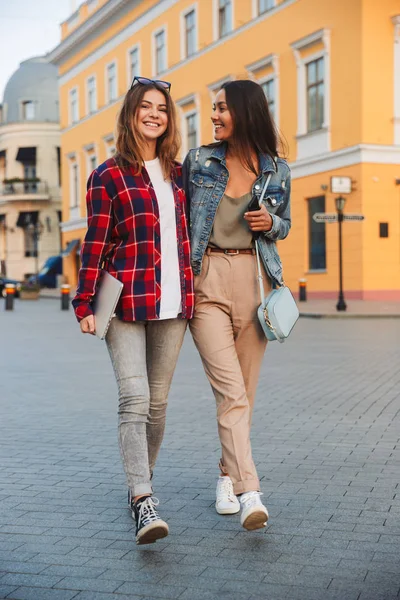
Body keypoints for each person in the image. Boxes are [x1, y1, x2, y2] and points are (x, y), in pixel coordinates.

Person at [72, 77, 194, 545]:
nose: (154, 114)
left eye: (162, 108)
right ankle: (142, 497)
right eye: (146, 107)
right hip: (122, 302)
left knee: (158, 403)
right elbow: (96, 243)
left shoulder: (180, 175)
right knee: (135, 399)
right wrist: (85, 303)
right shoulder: (108, 175)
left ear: (169, 118)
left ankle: (143, 482)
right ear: (130, 114)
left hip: (172, 304)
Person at [183, 79, 291, 531]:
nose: (214, 115)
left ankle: (227, 476)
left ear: (245, 112)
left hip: (253, 281)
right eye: (213, 108)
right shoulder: (199, 161)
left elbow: (283, 227)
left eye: (222, 108)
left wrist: (273, 221)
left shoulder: (276, 170)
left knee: (243, 394)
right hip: (206, 281)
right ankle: (251, 492)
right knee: (230, 392)